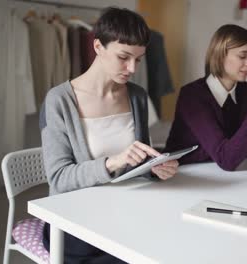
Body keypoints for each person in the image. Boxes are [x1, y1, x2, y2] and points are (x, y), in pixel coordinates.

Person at [39, 7, 178, 263]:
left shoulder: (136, 96)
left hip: (122, 210)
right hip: (73, 221)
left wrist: (155, 168)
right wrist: (113, 161)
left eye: (139, 59)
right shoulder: (59, 101)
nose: (132, 68)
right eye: (124, 57)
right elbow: (59, 178)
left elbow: (140, 162)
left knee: (176, 237)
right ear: (98, 46)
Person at [164, 24, 247, 171]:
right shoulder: (192, 95)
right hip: (183, 176)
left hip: (220, 177)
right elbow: (226, 159)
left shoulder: (243, 91)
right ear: (219, 56)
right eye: (242, 56)